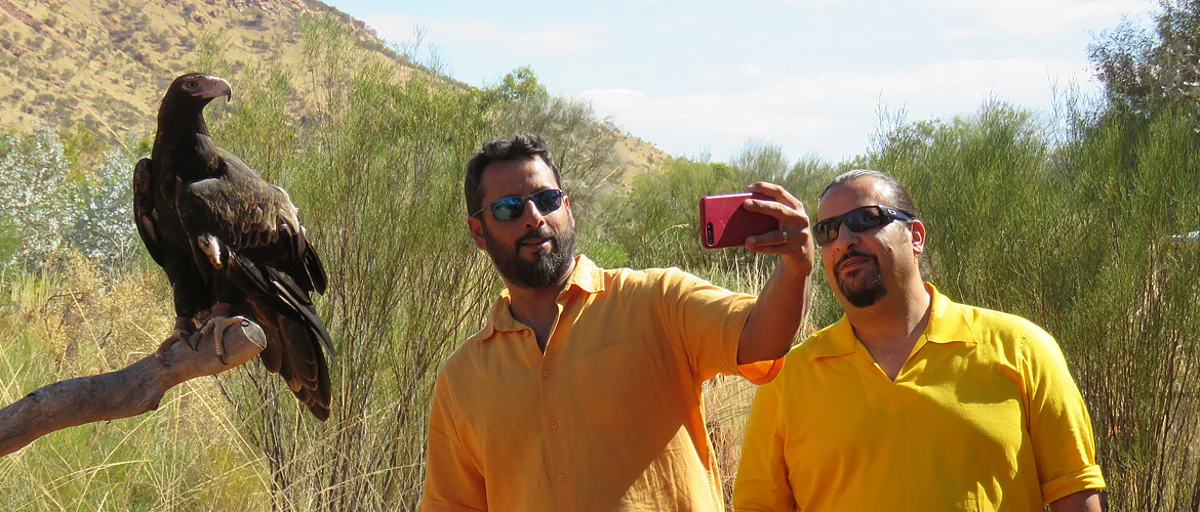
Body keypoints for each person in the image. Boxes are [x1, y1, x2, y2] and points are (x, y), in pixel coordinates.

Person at [419, 134, 815, 511]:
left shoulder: (656, 300)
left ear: (568, 208)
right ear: (478, 232)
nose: (534, 217)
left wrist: (796, 268)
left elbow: (761, 338)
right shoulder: (463, 378)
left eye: (546, 199)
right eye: (509, 208)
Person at [733, 169, 1106, 511]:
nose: (844, 240)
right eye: (827, 231)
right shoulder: (788, 379)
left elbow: (1075, 492)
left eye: (865, 219)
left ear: (915, 237)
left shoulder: (1022, 349)